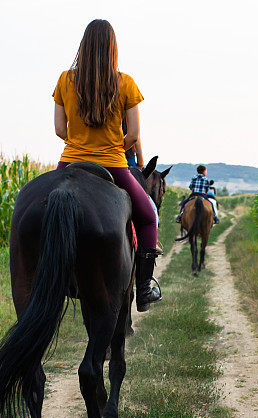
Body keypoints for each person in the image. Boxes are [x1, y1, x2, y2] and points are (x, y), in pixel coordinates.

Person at [52, 19, 160, 311]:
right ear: (113, 48)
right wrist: (112, 148)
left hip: (70, 162)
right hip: (113, 164)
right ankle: (144, 287)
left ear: (83, 46)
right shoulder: (125, 83)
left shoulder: (65, 80)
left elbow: (60, 130)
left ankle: (48, 278)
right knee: (149, 216)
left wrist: (80, 143)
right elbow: (134, 134)